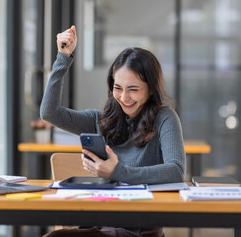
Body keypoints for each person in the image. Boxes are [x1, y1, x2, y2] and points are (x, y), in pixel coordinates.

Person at [40, 25, 186, 237]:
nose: (124, 98)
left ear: (151, 89)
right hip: (102, 222)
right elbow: (49, 113)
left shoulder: (165, 118)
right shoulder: (100, 120)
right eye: (118, 88)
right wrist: (63, 57)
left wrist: (117, 172)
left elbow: (176, 171)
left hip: (140, 229)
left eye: (133, 89)